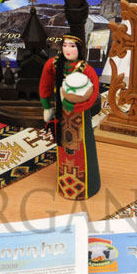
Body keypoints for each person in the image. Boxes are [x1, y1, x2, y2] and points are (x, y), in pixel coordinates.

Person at [39, 34, 101, 200]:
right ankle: (65, 184)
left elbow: (94, 92)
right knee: (63, 146)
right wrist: (46, 105)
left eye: (72, 46)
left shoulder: (85, 69)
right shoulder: (54, 63)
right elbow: (45, 82)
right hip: (61, 112)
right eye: (65, 45)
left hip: (80, 115)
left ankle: (87, 185)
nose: (68, 49)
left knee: (82, 147)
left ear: (79, 49)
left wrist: (76, 106)